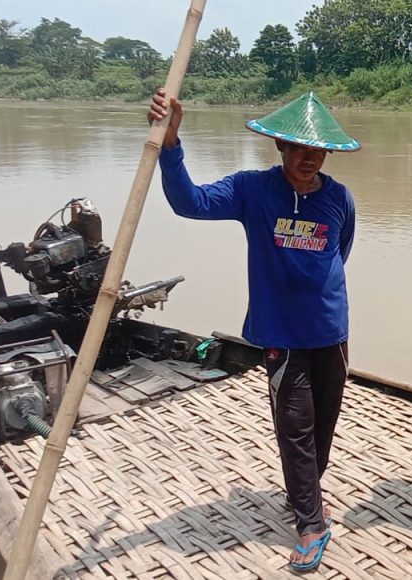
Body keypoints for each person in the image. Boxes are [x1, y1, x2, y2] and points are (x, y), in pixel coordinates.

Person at [147, 89, 358, 573]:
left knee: (322, 426)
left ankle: (304, 492)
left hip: (332, 330)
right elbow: (190, 202)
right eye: (300, 149)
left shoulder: (339, 199)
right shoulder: (252, 190)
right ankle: (311, 522)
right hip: (281, 335)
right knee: (295, 428)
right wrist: (171, 142)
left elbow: (338, 254)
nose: (310, 159)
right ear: (281, 147)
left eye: (318, 150)